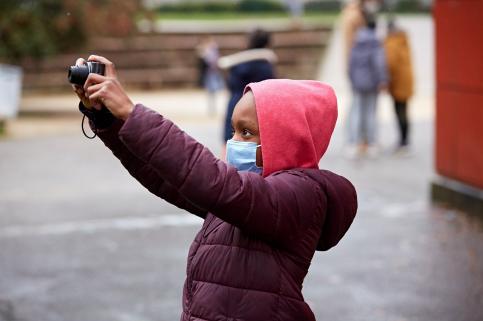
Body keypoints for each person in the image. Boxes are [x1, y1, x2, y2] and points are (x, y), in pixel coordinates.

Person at [72, 54, 358, 321]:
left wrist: (132, 113)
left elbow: (208, 178)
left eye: (246, 132)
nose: (233, 142)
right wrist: (107, 119)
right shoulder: (239, 197)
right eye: (233, 130)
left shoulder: (302, 196)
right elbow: (168, 178)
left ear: (287, 140)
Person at [218, 28, 277, 158]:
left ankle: (226, 174)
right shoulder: (265, 66)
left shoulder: (238, 64)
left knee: (230, 141)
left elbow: (230, 84)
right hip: (257, 108)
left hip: (235, 104)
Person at [347, 18, 388, 158]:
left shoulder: (356, 42)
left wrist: (352, 80)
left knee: (357, 112)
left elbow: (350, 64)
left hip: (357, 83)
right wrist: (382, 80)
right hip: (371, 83)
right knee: (371, 113)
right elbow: (379, 64)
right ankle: (371, 143)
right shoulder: (375, 43)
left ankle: (353, 143)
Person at [384, 19, 414, 154]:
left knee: (400, 112)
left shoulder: (392, 43)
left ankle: (403, 142)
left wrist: (386, 81)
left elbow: (391, 64)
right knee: (404, 111)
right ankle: (405, 141)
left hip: (398, 84)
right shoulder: (404, 40)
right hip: (406, 81)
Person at [196, 36, 224, 116]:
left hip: (212, 74)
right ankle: (212, 109)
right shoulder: (208, 52)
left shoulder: (211, 52)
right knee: (211, 92)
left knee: (212, 92)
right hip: (210, 74)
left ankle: (212, 108)